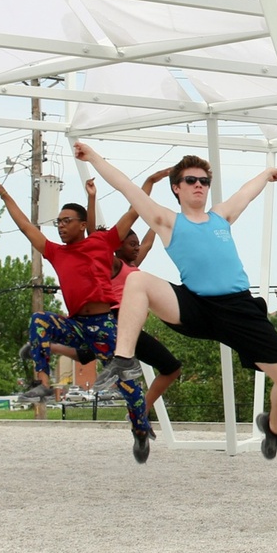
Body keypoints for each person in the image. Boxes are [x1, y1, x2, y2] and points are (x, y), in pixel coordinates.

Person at [75, 144, 277, 462]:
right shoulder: (167, 221)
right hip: (195, 306)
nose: (199, 185)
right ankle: (123, 359)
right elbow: (125, 185)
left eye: (204, 181)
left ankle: (274, 429)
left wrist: (265, 174)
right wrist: (94, 158)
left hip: (239, 310)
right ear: (176, 187)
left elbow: (245, 194)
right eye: (191, 180)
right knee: (137, 280)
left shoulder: (220, 217)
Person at [0, 178, 154, 463]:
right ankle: (42, 382)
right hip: (76, 325)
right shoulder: (56, 252)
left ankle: (140, 429)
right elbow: (26, 228)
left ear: (82, 224)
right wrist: (5, 196)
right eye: (58, 223)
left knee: (130, 388)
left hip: (104, 325)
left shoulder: (102, 242)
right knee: (39, 321)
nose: (61, 226)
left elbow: (133, 212)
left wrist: (149, 183)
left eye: (67, 221)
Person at [85, 169, 185, 411]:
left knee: (172, 368)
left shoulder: (134, 266)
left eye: (137, 244)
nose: (137, 248)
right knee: (85, 353)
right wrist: (91, 199)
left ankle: (142, 408)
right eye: (132, 244)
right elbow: (94, 234)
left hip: (130, 331)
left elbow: (151, 238)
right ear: (116, 248)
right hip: (115, 324)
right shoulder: (111, 264)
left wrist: (166, 217)